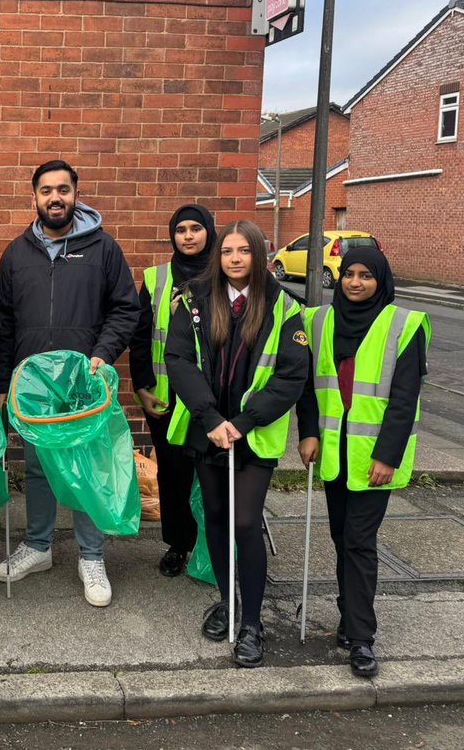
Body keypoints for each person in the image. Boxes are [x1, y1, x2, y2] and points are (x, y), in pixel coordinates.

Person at [0, 160, 140, 608]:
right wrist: (4, 380)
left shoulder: (103, 249)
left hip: (82, 382)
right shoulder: (17, 253)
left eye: (63, 190)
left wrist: (102, 353)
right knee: (37, 467)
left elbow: (125, 309)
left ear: (76, 194)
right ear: (34, 197)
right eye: (46, 191)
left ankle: (91, 556)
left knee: (85, 468)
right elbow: (2, 321)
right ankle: (38, 547)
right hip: (34, 385)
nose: (55, 198)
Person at [164, 220, 309, 667]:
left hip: (253, 434)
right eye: (227, 251)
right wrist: (210, 418)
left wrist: (243, 422)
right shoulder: (194, 299)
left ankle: (252, 623)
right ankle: (228, 602)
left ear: (258, 255)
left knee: (245, 523)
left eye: (244, 250)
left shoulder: (284, 306)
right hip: (207, 430)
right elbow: (178, 359)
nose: (234, 259)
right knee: (215, 517)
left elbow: (292, 375)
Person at [296, 247, 429, 679]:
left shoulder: (403, 325)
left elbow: (405, 398)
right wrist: (308, 432)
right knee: (341, 537)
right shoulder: (318, 321)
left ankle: (361, 637)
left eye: (366, 276)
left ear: (380, 280)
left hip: (374, 459)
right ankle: (348, 615)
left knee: (358, 540)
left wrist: (387, 455)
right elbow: (307, 386)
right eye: (348, 274)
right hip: (334, 453)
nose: (355, 282)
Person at [129, 204, 216, 577]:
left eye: (196, 228)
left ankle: (214, 545)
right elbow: (139, 338)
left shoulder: (226, 274)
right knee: (173, 475)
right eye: (181, 230)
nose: (188, 236)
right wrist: (142, 387)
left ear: (209, 232)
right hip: (166, 398)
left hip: (213, 398)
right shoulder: (156, 278)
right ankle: (179, 544)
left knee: (211, 474)